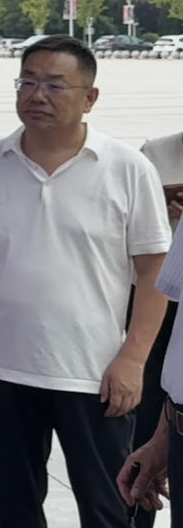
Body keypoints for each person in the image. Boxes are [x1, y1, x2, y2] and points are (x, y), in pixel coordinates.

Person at [0, 35, 171, 528]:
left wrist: (133, 359)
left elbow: (155, 271)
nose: (37, 95)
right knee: (15, 506)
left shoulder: (127, 169)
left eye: (54, 85)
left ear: (90, 98)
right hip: (3, 370)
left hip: (94, 373)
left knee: (108, 507)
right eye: (27, 82)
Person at [116, 129, 183, 523]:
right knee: (150, 406)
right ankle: (136, 513)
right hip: (156, 297)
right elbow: (124, 214)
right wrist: (162, 203)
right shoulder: (155, 152)